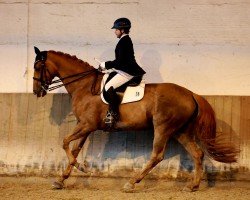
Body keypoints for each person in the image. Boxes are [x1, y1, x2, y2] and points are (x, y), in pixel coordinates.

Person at [99, 17, 146, 127]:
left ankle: (114, 114)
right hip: (124, 69)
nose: (115, 32)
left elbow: (120, 61)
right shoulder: (124, 41)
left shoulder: (124, 41)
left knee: (108, 87)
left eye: (116, 29)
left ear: (122, 30)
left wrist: (106, 64)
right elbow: (120, 62)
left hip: (128, 72)